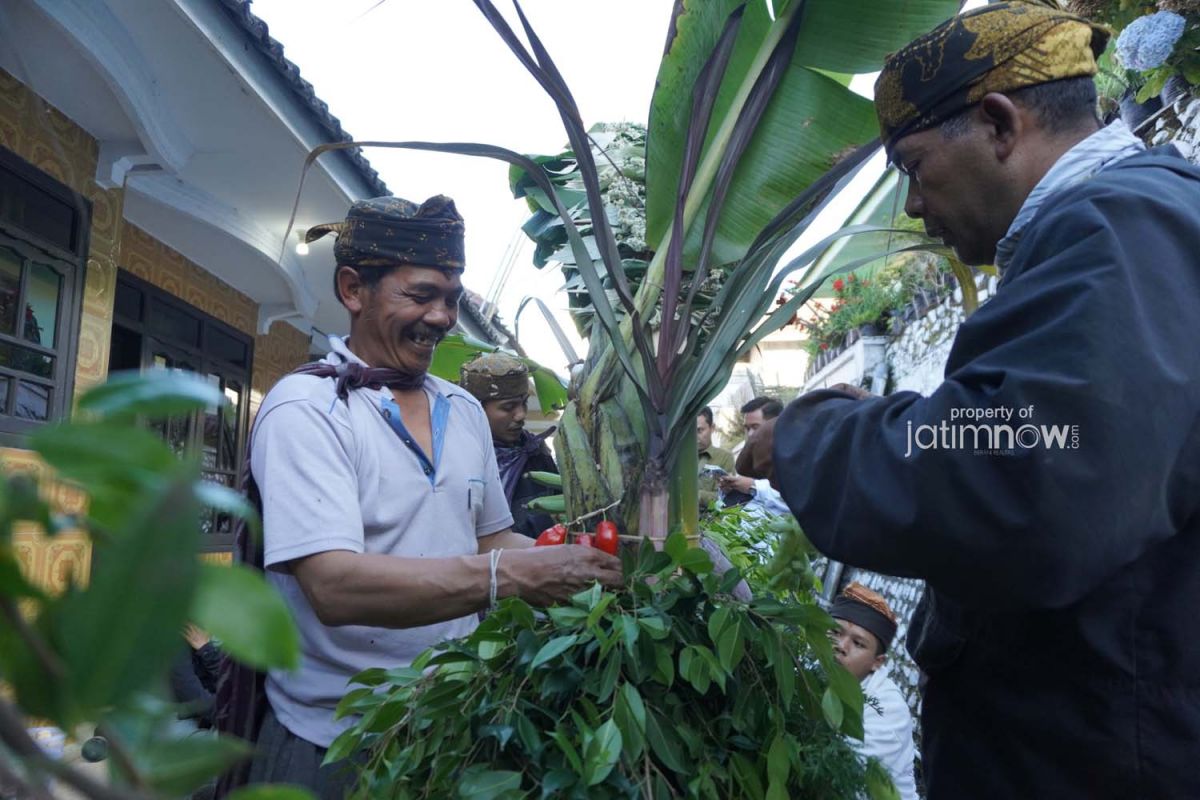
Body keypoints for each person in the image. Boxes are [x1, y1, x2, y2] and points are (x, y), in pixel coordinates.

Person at [739, 4, 1200, 797]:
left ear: (998, 123)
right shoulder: (1113, 231)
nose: (914, 206)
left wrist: (810, 438)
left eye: (914, 167)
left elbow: (1026, 472)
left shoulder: (1123, 227)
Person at [239, 195, 622, 797]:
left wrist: (584, 558)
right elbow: (333, 587)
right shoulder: (308, 409)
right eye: (421, 295)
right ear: (352, 289)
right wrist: (507, 578)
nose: (442, 317)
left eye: (452, 299)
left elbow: (490, 537)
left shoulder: (463, 408)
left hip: (455, 717)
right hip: (337, 742)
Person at [828, 584, 917, 800]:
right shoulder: (810, 667)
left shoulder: (888, 711)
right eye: (835, 632)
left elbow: (844, 781)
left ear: (877, 662)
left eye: (858, 643)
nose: (841, 646)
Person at [459, 352, 559, 537]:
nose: (521, 415)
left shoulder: (535, 451)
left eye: (524, 403)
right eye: (508, 407)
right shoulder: (459, 461)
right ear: (477, 409)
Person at [719, 396, 787, 516]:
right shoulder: (746, 459)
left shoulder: (792, 457)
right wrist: (730, 489)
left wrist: (753, 486)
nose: (750, 434)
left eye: (755, 427)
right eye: (747, 428)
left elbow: (793, 498)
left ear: (773, 424)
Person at [696, 406, 734, 511]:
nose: (694, 436)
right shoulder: (679, 460)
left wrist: (694, 495)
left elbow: (724, 498)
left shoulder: (724, 458)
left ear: (712, 428)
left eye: (699, 430)